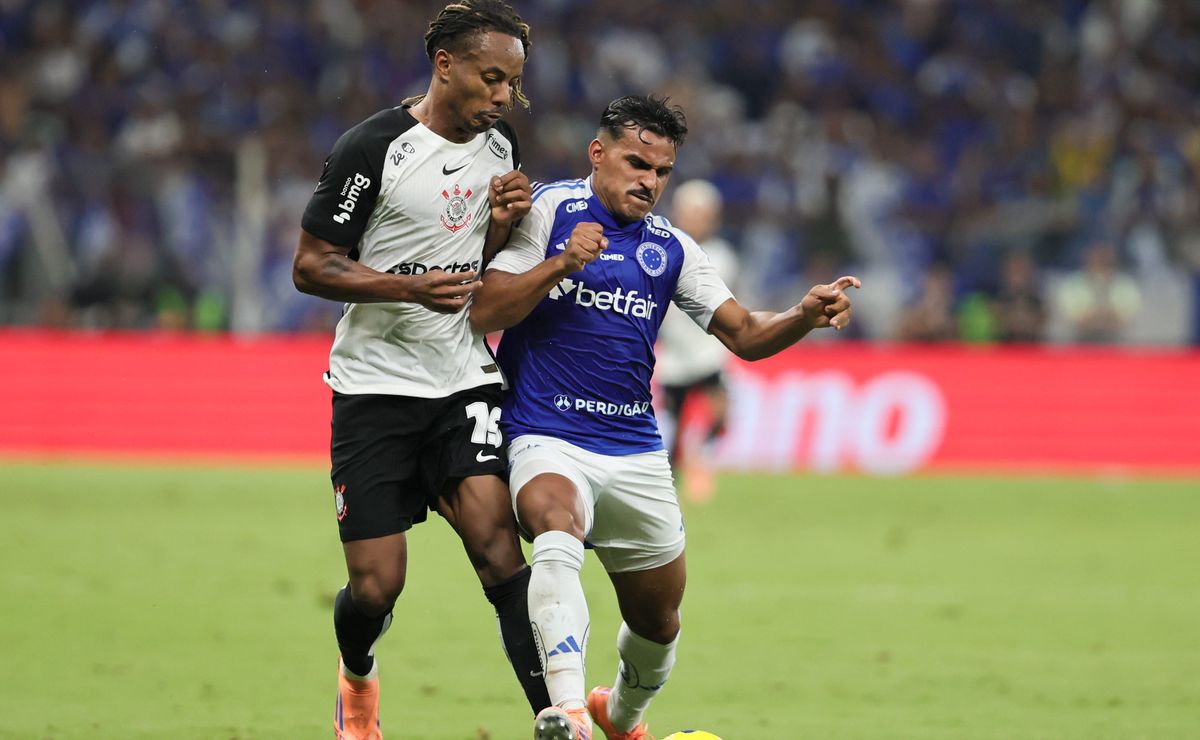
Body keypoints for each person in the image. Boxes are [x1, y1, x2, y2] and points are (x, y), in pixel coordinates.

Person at [469, 95, 860, 740]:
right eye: (635, 162)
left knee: (660, 620)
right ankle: (565, 711)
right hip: (546, 431)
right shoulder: (548, 210)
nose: (648, 181)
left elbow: (742, 332)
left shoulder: (671, 248)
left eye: (662, 171)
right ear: (598, 154)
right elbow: (487, 308)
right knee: (554, 527)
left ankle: (619, 719)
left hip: (635, 448)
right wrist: (563, 262)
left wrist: (802, 316)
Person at [292, 2, 550, 737]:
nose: (504, 96)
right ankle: (358, 679)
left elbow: (486, 254)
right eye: (492, 78)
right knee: (377, 587)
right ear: (446, 66)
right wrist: (406, 285)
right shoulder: (371, 147)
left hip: (461, 377)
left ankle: (556, 719)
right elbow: (310, 267)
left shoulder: (502, 144)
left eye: (513, 82)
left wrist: (505, 222)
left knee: (500, 550)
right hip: (373, 385)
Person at [653, 179, 739, 503]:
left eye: (702, 213)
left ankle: (701, 458)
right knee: (672, 423)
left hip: (707, 351)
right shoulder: (664, 247)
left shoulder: (722, 256)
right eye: (690, 212)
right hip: (675, 356)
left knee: (720, 412)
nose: (696, 219)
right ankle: (669, 482)